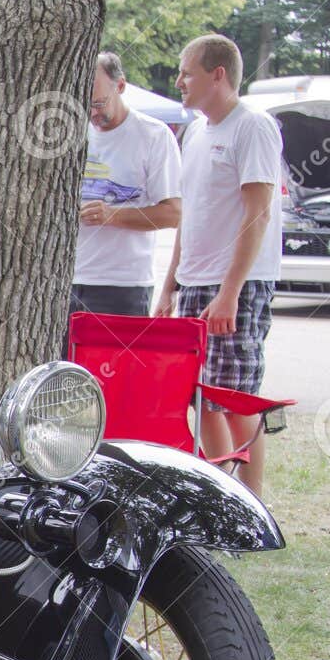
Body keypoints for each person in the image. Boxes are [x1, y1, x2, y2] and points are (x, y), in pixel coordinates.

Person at [156, 33, 283, 497]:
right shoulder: (194, 131)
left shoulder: (253, 126)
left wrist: (231, 290)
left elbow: (259, 212)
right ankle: (220, 493)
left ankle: (254, 503)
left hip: (238, 284)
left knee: (234, 398)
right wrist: (169, 283)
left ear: (218, 74)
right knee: (199, 399)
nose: (180, 81)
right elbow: (191, 215)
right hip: (194, 280)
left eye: (187, 72)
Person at [72, 51, 181, 316]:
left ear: (120, 86)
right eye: (84, 104)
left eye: (98, 103)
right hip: (67, 279)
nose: (92, 113)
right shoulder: (73, 131)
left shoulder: (153, 135)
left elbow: (173, 214)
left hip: (123, 284)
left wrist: (112, 215)